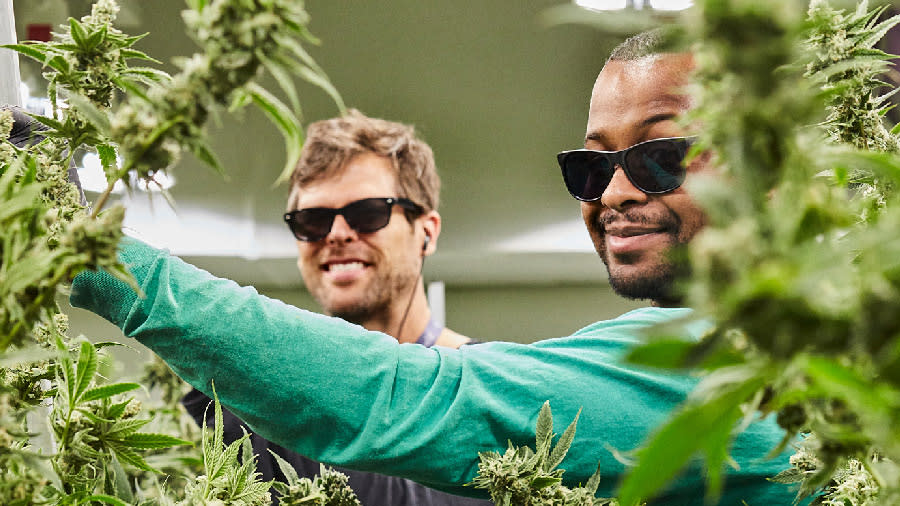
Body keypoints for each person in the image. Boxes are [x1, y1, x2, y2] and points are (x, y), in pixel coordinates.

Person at [68, 34, 800, 505]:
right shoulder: (232, 406)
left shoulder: (733, 366)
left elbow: (407, 396)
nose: (613, 192)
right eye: (590, 166)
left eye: (662, 155)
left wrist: (91, 253)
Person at [181, 111, 486, 505]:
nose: (337, 234)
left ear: (426, 232)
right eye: (313, 220)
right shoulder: (259, 406)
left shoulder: (492, 390)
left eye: (367, 214)